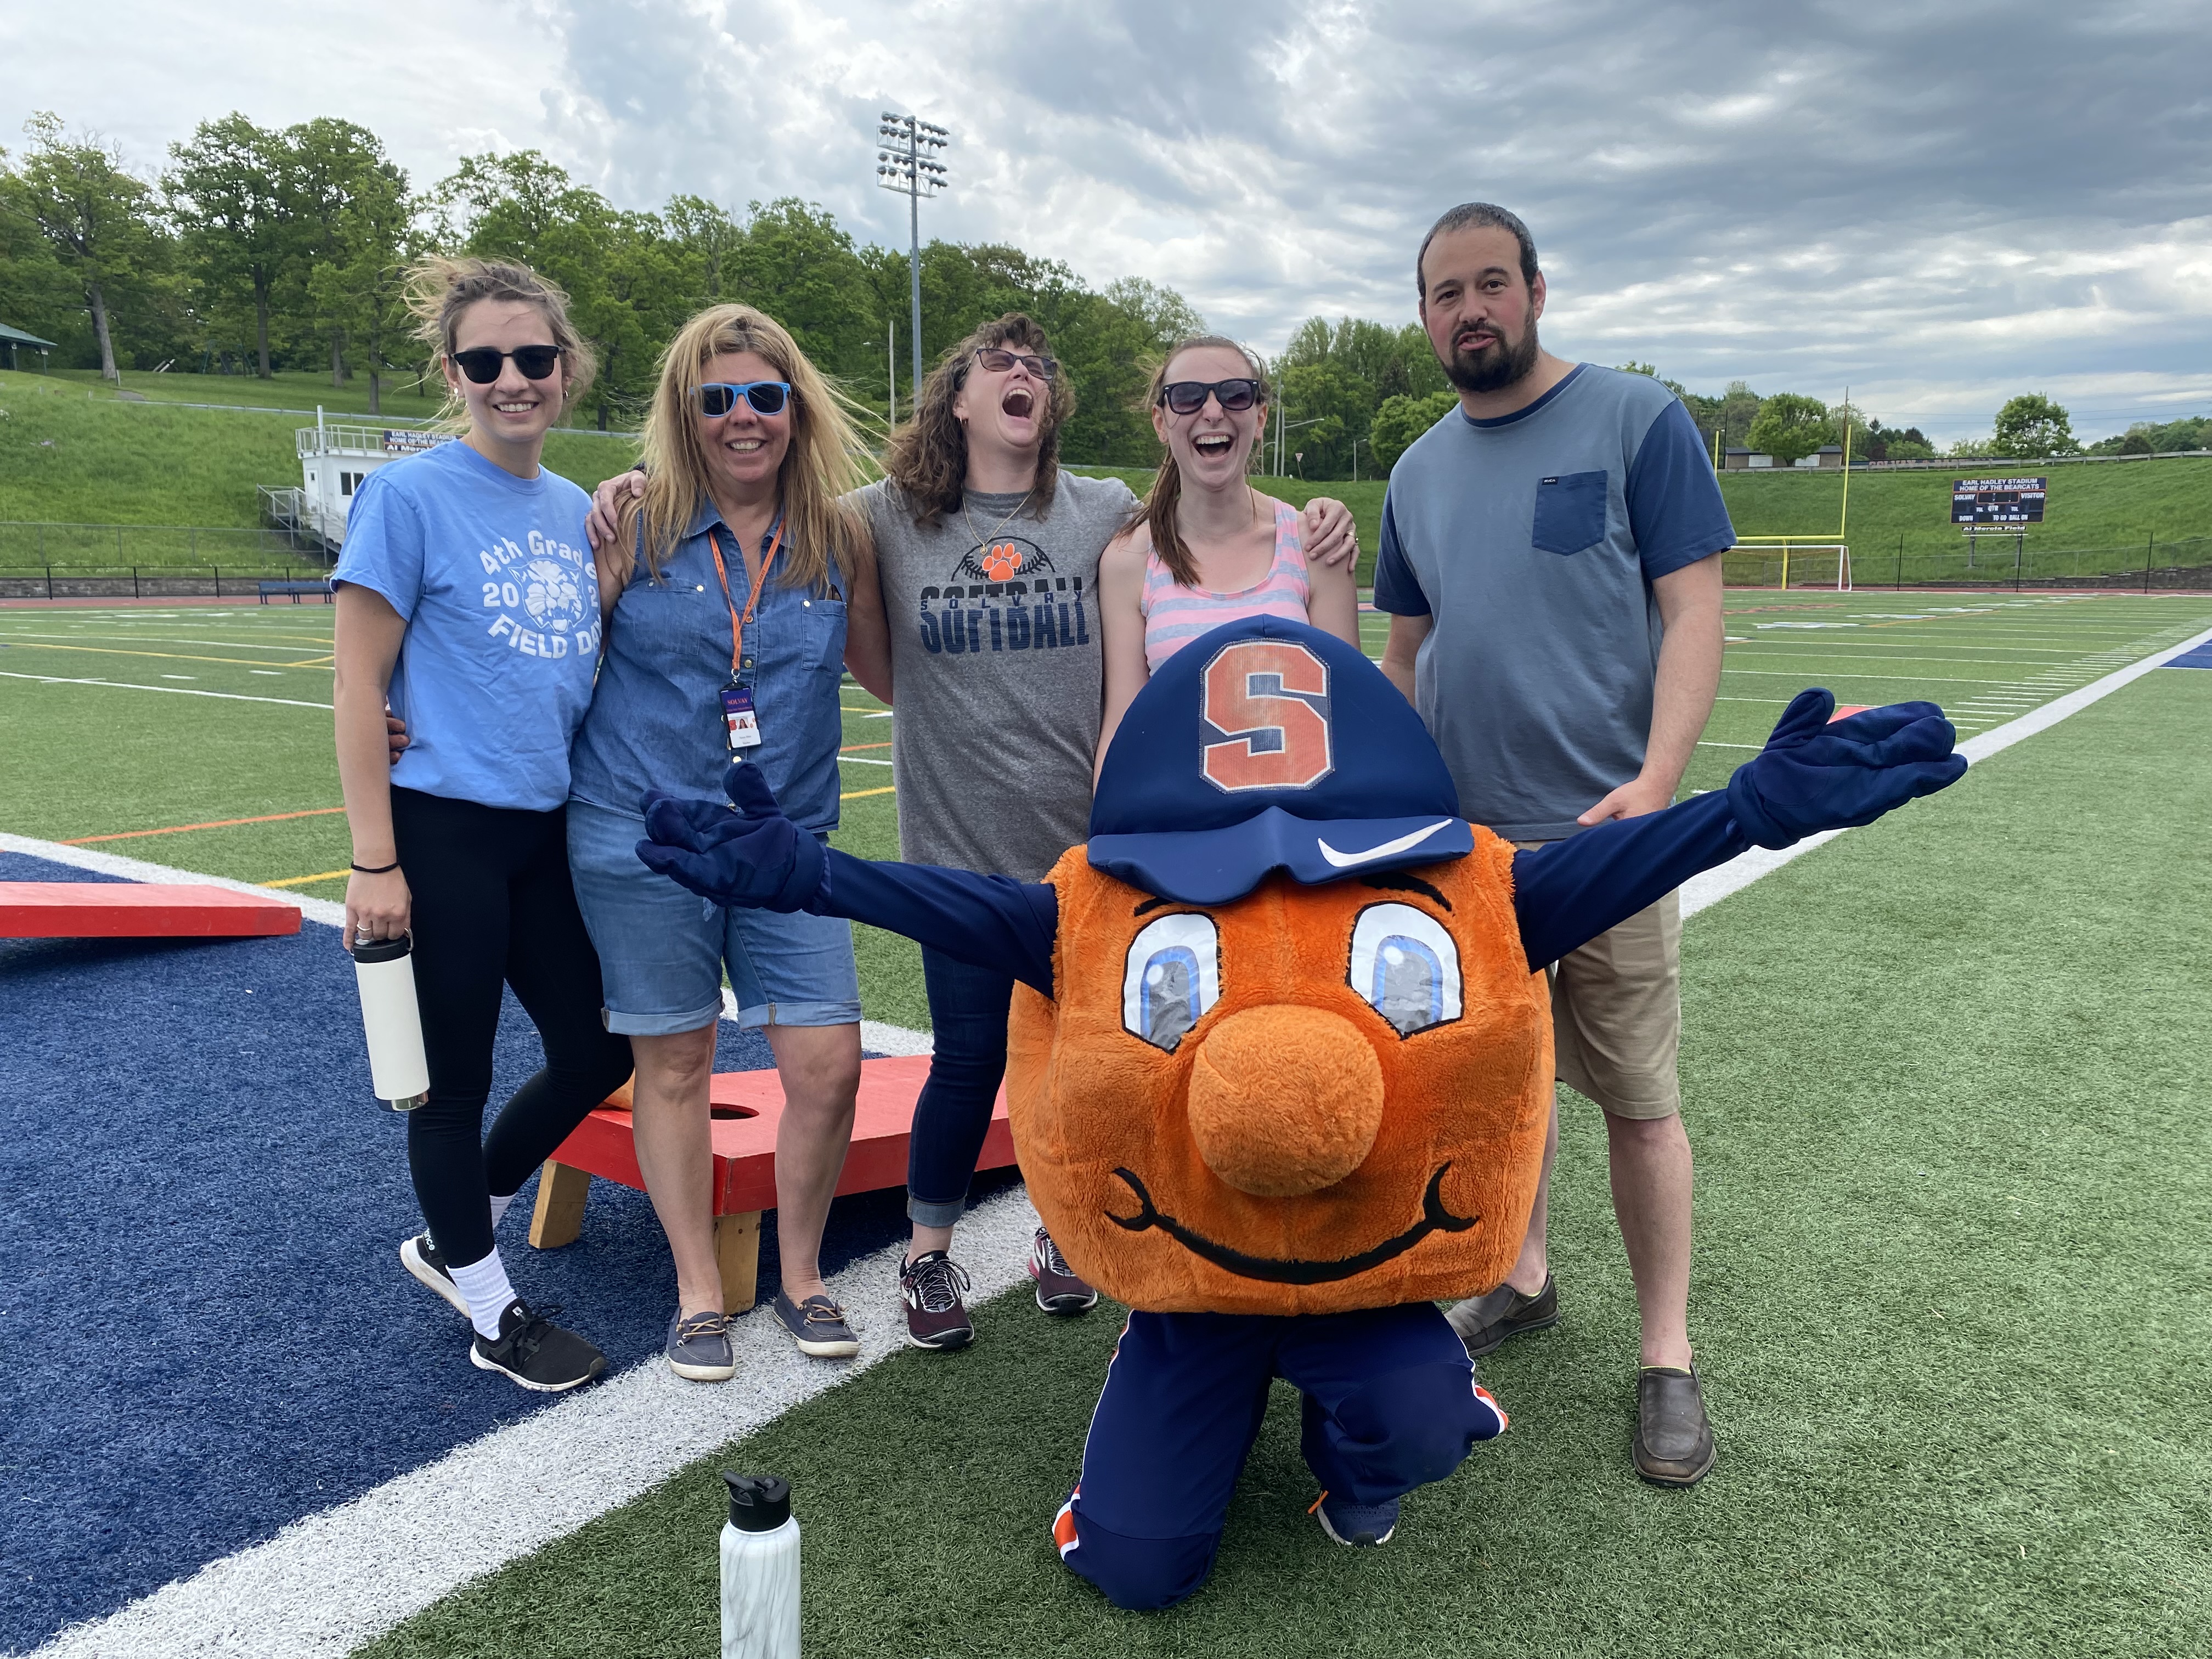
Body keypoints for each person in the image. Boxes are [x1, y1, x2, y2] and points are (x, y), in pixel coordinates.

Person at [590, 313, 1359, 1352]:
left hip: (1081, 850)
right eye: (999, 364)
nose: (1022, 376)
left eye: (1040, 367)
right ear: (956, 399)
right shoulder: (884, 517)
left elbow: (1200, 535)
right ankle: (926, 1253)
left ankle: (1062, 1230)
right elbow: (791, 524)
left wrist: (1318, 518)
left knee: (1088, 1060)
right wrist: (636, 485)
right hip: (953, 844)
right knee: (964, 1060)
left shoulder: (1108, 514)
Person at [1374, 202, 1735, 1485]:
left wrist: (1659, 781)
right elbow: (1405, 654)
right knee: (1498, 1090)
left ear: (1534, 289)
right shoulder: (1416, 472)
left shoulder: (1638, 420)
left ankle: (1669, 1358)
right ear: (1423, 317)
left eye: (1490, 284)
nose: (1469, 309)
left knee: (1638, 1102)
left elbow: (1693, 607)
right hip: (1471, 859)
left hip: (1608, 838)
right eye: (1444, 294)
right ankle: (1522, 1275)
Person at [565, 302, 891, 1378]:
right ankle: (700, 1293)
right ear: (684, 414)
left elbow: (897, 677)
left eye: (764, 394)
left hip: (784, 843)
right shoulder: (635, 524)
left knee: (828, 1065)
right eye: (717, 399)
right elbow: (557, 667)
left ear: (796, 409)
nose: (742, 417)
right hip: (642, 832)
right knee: (675, 1062)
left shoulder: (842, 538)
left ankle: (801, 1277)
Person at [333, 256, 635, 1392]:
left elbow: (558, 663)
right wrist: (375, 861)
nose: (512, 379)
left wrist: (605, 586)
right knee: (450, 1086)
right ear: (453, 374)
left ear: (566, 372)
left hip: (542, 831)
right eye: (484, 361)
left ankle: (458, 1235)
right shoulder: (408, 498)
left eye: (534, 358)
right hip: (444, 829)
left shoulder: (571, 511)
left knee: (598, 1047)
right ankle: (492, 1307)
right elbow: (359, 685)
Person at [1096, 336, 1360, 772]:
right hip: (1182, 826)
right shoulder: (1130, 560)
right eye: (1188, 396)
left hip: (1301, 823)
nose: (1213, 411)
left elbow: (1349, 716)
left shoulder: (1315, 543)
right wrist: (1108, 833)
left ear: (1260, 418)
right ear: (1161, 424)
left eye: (1235, 393)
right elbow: (1123, 727)